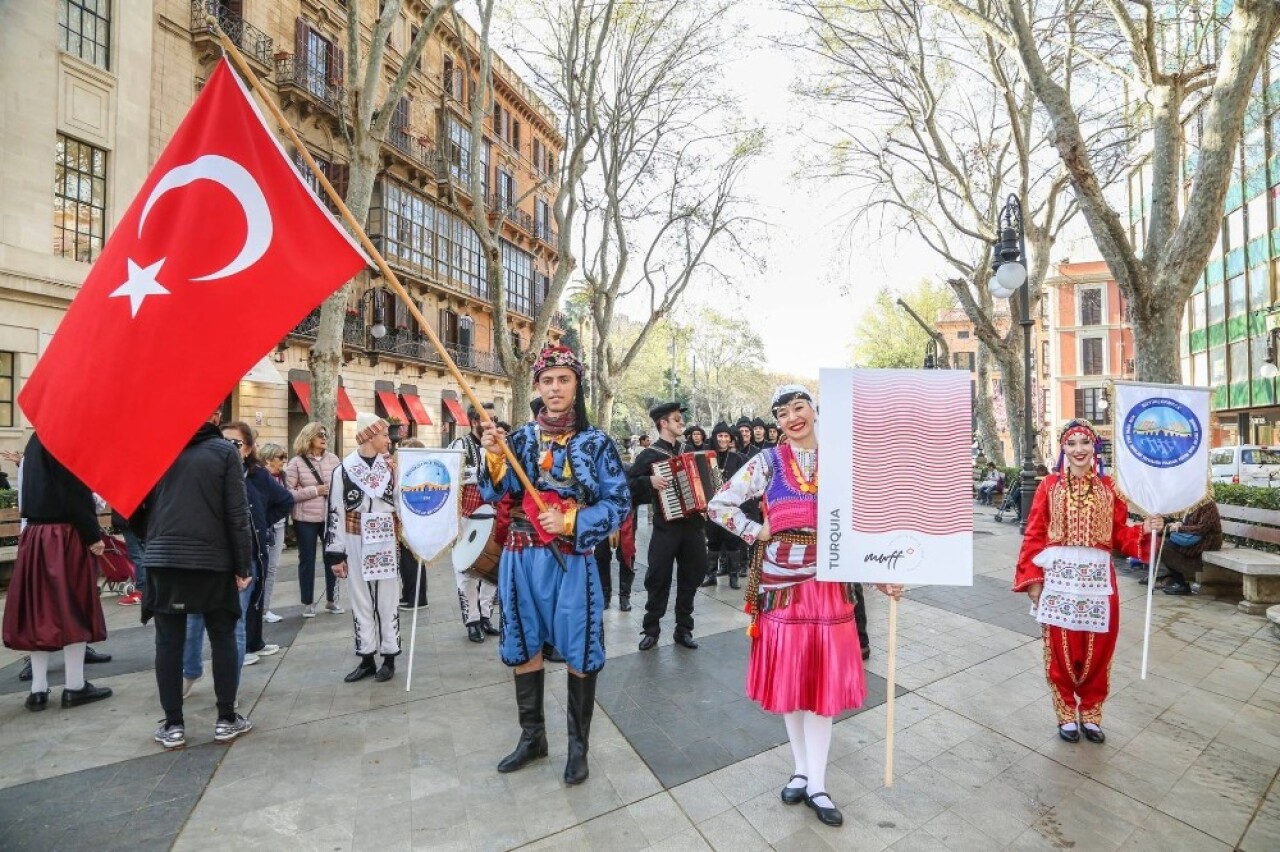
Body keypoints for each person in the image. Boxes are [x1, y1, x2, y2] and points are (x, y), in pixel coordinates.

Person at [708, 385, 901, 828]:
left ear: (815, 410)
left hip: (829, 586)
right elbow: (719, 505)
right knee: (793, 683)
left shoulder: (841, 462)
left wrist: (881, 575)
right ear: (776, 422)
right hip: (782, 587)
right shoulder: (767, 462)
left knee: (821, 688)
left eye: (799, 408)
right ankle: (801, 769)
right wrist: (756, 531)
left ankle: (818, 782)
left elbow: (859, 529)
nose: (792, 417)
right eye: (782, 413)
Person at [478, 344, 629, 785]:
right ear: (538, 388)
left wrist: (569, 519)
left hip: (571, 560)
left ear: (577, 385)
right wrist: (493, 453)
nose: (555, 388)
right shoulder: (520, 438)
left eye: (564, 379)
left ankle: (578, 748)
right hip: (520, 557)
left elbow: (618, 502)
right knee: (523, 645)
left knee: (580, 648)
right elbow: (495, 491)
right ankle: (533, 739)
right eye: (548, 380)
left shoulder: (597, 442)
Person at [1014, 419, 1163, 744]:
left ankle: (1092, 711)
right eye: (1072, 443)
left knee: (1099, 650)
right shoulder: (1048, 486)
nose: (1079, 449)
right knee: (1061, 649)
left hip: (1098, 582)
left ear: (1094, 447)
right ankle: (1066, 710)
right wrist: (1033, 580)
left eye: (1085, 442)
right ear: (1063, 448)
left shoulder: (1112, 489)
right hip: (1058, 581)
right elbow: (1035, 533)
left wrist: (1146, 530)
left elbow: (1121, 535)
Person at [138, 412, 254, 749]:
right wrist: (242, 564)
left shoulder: (154, 449)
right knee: (222, 636)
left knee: (168, 641)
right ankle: (226, 718)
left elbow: (127, 509)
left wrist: (156, 537)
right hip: (211, 559)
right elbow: (237, 512)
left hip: (164, 559)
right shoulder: (223, 451)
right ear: (213, 416)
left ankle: (173, 724)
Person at [3, 433, 113, 711]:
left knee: (38, 611)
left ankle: (38, 690)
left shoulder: (35, 439)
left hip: (36, 535)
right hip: (64, 535)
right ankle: (74, 686)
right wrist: (92, 535)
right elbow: (74, 492)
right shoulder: (64, 438)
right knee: (73, 607)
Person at [325, 413, 402, 683]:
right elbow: (334, 511)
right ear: (369, 436)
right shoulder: (344, 470)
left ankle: (389, 656)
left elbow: (403, 504)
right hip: (355, 536)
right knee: (360, 598)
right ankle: (367, 656)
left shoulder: (392, 468)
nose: (389, 439)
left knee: (387, 598)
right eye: (384, 435)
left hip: (385, 537)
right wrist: (336, 552)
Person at [630, 402, 709, 650]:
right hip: (666, 527)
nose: (681, 423)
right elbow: (627, 487)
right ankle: (651, 629)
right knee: (658, 577)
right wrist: (648, 481)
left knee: (691, 577)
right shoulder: (650, 455)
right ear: (663, 423)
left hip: (694, 526)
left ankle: (683, 630)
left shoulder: (690, 451)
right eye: (676, 419)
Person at [450, 405, 501, 642]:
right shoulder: (459, 446)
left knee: (493, 571)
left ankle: (485, 616)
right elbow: (447, 479)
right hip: (466, 518)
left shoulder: (501, 446)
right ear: (473, 422)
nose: (491, 424)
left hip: (493, 517)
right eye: (486, 420)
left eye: (494, 419)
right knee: (465, 572)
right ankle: (471, 620)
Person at [285, 423, 342, 617]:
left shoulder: (333, 459)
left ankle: (332, 600)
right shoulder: (296, 463)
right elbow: (288, 493)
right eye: (320, 434)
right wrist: (315, 491)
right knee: (307, 559)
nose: (324, 437)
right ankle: (307, 603)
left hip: (329, 517)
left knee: (332, 557)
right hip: (305, 519)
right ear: (309, 437)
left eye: (325, 434)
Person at [703, 422, 746, 589]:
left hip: (731, 508)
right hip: (712, 507)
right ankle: (711, 575)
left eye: (726, 436)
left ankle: (733, 577)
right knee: (712, 542)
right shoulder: (706, 457)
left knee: (732, 542)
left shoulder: (738, 458)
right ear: (715, 438)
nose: (723, 439)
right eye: (720, 436)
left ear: (731, 440)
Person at [1159, 501, 1223, 595]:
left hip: (1208, 541)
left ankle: (1180, 583)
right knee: (1162, 543)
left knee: (1166, 548)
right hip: (1196, 538)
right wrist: (1179, 524)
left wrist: (1178, 529)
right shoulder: (1194, 503)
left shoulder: (1208, 505)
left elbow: (1201, 528)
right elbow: (1188, 523)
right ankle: (1176, 580)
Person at [396, 437, 430, 610]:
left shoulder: (419, 472)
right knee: (406, 561)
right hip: (407, 520)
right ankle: (409, 593)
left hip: (414, 521)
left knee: (413, 560)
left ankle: (418, 597)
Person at [258, 442, 289, 622]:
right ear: (268, 459)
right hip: (265, 527)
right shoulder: (260, 477)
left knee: (272, 569)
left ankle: (265, 608)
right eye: (280, 458)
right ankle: (257, 608)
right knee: (260, 569)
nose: (284, 461)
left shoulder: (282, 476)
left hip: (280, 525)